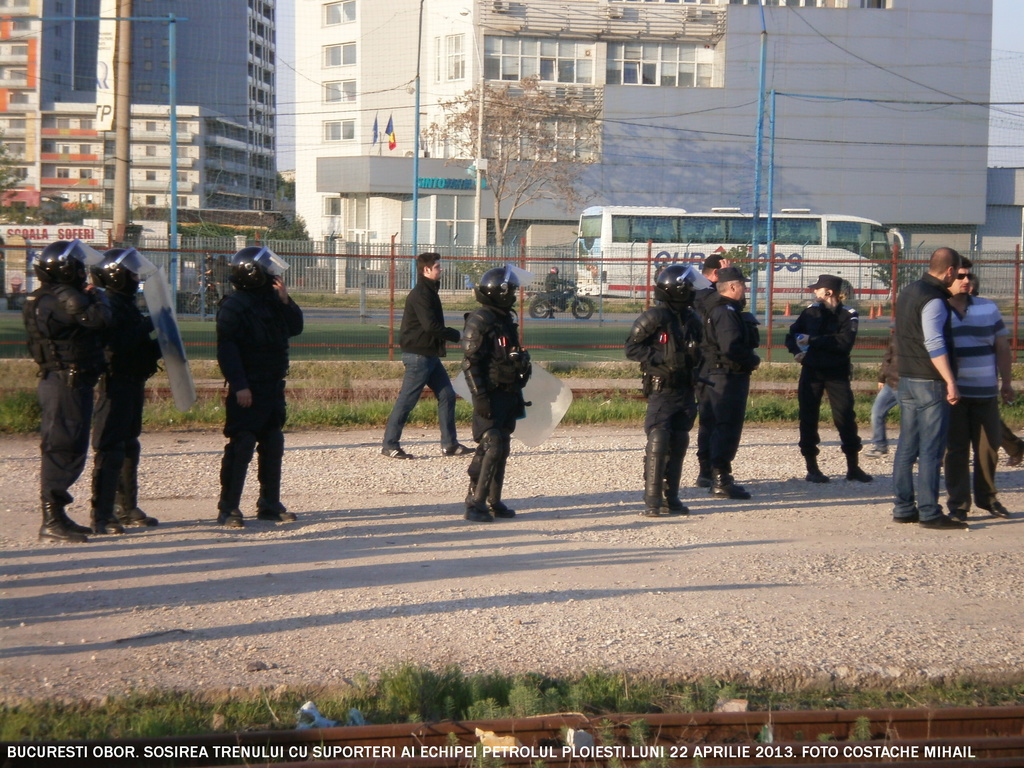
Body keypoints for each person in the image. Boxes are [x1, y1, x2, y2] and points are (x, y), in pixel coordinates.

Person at [22, 239, 111, 543]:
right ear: (64, 269)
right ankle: (52, 518)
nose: (82, 273)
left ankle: (57, 514)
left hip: (60, 380)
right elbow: (99, 320)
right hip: (65, 383)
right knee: (63, 446)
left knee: (66, 444)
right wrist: (99, 297)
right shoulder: (63, 298)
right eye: (76, 267)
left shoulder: (40, 297)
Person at [216, 246, 304, 528]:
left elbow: (295, 327)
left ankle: (269, 503)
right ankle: (228, 508)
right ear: (252, 273)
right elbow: (227, 351)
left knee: (273, 443)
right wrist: (240, 385)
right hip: (248, 387)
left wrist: (286, 300)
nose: (273, 274)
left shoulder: (273, 300)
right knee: (241, 445)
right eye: (267, 269)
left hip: (272, 385)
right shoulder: (234, 306)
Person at [89, 248, 162, 534]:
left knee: (129, 444)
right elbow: (114, 345)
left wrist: (162, 343)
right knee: (110, 447)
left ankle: (126, 506)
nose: (135, 277)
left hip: (132, 381)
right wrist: (148, 326)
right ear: (116, 275)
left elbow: (137, 348)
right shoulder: (107, 304)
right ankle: (102, 514)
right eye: (131, 272)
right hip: (114, 383)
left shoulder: (126, 303)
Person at [891, 247, 965, 530]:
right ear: (949, 271)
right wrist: (950, 380)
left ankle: (903, 507)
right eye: (956, 273)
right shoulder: (934, 299)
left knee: (907, 447)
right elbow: (934, 342)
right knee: (932, 451)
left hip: (907, 378)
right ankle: (930, 512)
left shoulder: (909, 291)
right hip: (930, 381)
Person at [625, 264, 704, 516]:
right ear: (677, 289)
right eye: (688, 286)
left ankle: (672, 498)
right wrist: (661, 360)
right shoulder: (655, 316)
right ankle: (652, 500)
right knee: (659, 437)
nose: (692, 290)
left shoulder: (692, 318)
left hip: (686, 388)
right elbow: (632, 348)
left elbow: (703, 349)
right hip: (662, 388)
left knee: (680, 439)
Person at [461, 266, 532, 523]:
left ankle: (494, 500)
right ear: (499, 292)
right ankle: (474, 503)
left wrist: (522, 364)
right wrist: (479, 397)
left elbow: (513, 352)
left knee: (502, 444)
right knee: (491, 444)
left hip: (508, 393)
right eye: (510, 289)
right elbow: (470, 363)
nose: (514, 293)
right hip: (489, 393)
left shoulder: (504, 319)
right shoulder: (480, 320)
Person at [382, 252, 470, 459]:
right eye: (438, 267)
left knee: (447, 395)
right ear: (426, 270)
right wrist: (458, 336)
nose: (441, 269)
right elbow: (431, 326)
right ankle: (390, 444)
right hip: (418, 356)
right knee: (407, 401)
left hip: (428, 355)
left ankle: (449, 445)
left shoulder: (429, 292)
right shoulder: (421, 294)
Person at [785, 274, 872, 483]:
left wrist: (812, 340)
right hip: (812, 372)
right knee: (808, 416)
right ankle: (812, 468)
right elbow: (792, 335)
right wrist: (796, 351)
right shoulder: (810, 313)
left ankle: (853, 467)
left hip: (837, 373)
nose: (814, 293)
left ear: (828, 292)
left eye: (817, 289)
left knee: (844, 416)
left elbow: (844, 344)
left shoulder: (848, 315)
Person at [943, 264, 1013, 520]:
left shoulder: (988, 307)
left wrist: (1006, 382)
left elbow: (1002, 347)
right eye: (960, 276)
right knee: (956, 450)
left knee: (988, 448)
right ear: (948, 277)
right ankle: (959, 505)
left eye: (969, 275)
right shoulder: (938, 309)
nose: (966, 280)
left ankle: (988, 499)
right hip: (953, 395)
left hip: (985, 392)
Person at [698, 266, 760, 499]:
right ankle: (721, 479)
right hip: (727, 375)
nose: (745, 289)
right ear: (733, 286)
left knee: (711, 424)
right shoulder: (726, 311)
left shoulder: (714, 307)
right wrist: (752, 360)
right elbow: (731, 346)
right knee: (727, 426)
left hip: (712, 373)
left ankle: (708, 473)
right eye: (742, 285)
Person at [692, 254, 731, 487]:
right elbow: (730, 306)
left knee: (706, 418)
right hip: (709, 362)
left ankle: (706, 470)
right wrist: (727, 281)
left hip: (696, 361)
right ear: (716, 274)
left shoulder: (693, 291)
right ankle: (710, 470)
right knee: (712, 418)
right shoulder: (710, 296)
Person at [863, 333, 899, 458]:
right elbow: (887, 358)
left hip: (908, 384)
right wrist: (882, 378)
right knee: (876, 413)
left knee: (912, 420)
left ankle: (916, 452)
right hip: (891, 382)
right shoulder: (897, 335)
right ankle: (880, 446)